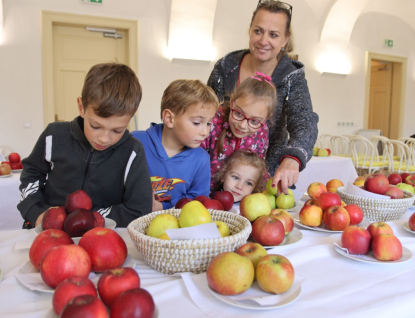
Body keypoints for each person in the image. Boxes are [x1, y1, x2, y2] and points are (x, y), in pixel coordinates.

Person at [18, 63, 153, 228]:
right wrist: (37, 212)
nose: (104, 139)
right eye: (95, 126)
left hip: (103, 238)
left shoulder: (133, 152)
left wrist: (91, 219)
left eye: (117, 130)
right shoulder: (54, 135)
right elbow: (31, 175)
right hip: (47, 231)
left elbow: (139, 209)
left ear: (131, 117)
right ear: (81, 107)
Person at [207, 0, 319, 195]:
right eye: (258, 31)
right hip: (213, 180)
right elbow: (204, 112)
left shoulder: (291, 76)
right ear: (250, 30)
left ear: (285, 40)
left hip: (261, 183)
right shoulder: (226, 66)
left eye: (273, 34)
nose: (263, 40)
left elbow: (304, 121)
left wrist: (292, 158)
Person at [131, 79, 219, 211]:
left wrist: (163, 206)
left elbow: (198, 200)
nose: (205, 132)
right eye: (196, 123)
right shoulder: (135, 141)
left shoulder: (201, 159)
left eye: (208, 123)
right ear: (169, 118)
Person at [201, 72, 276, 192]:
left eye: (254, 121)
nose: (242, 125)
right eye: (238, 113)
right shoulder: (212, 120)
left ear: (266, 119)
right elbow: (192, 160)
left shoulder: (262, 132)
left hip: (238, 201)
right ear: (232, 102)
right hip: (201, 195)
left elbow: (255, 168)